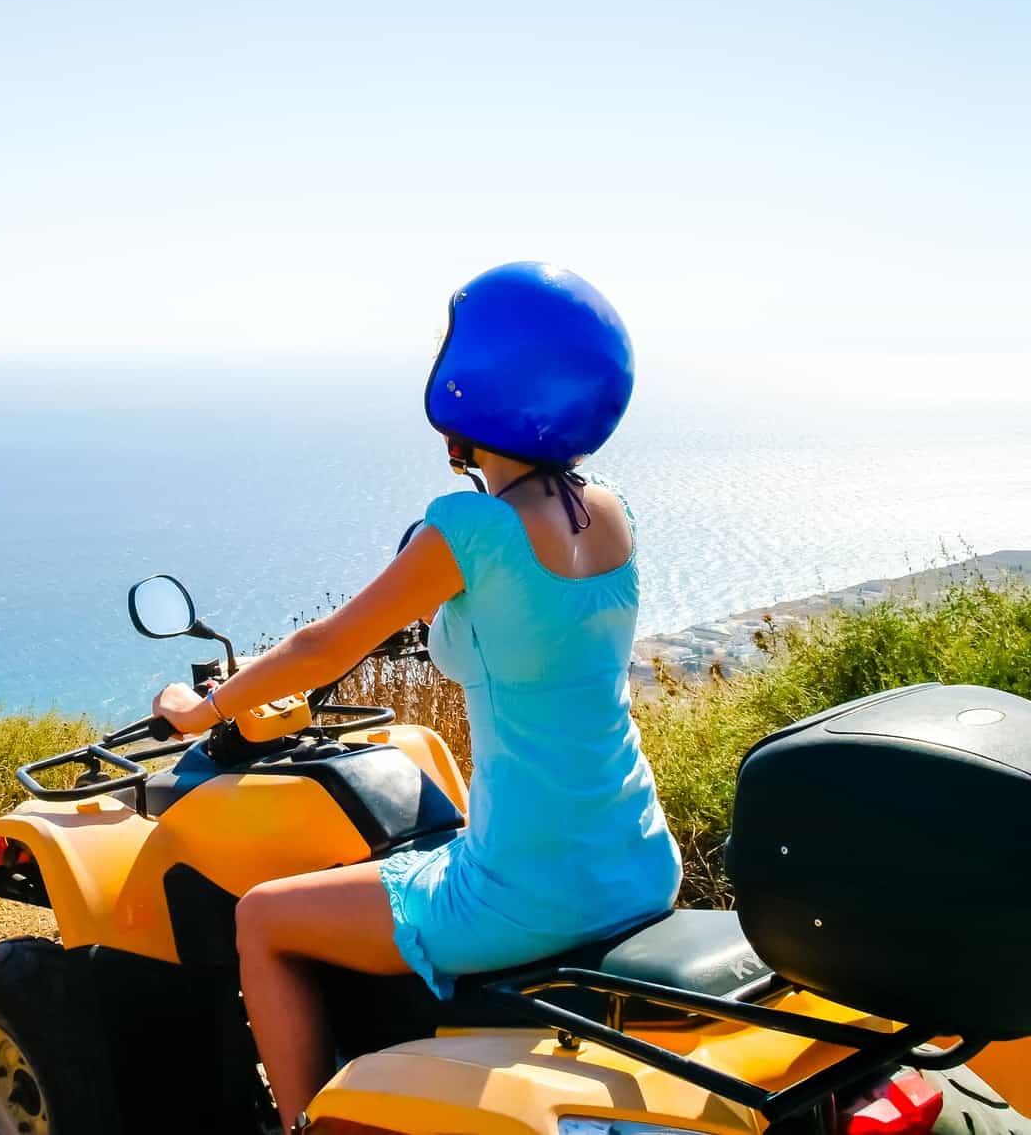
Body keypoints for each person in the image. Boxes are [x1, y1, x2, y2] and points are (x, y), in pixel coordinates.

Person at [151, 261, 683, 1131]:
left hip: (527, 888)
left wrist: (200, 709)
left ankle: (302, 1125)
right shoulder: (612, 513)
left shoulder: (469, 527)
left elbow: (324, 647)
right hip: (636, 861)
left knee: (261, 919)